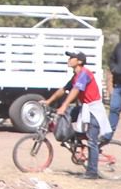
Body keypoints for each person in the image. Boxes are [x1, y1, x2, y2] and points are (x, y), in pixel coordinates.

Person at [46, 51, 109, 179]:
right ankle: (76, 140)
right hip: (84, 108)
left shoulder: (84, 74)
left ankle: (92, 173)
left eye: (71, 58)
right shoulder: (75, 76)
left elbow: (75, 91)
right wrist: (48, 101)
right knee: (65, 118)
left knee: (92, 141)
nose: (69, 60)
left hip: (94, 110)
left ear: (79, 61)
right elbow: (63, 90)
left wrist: (63, 106)